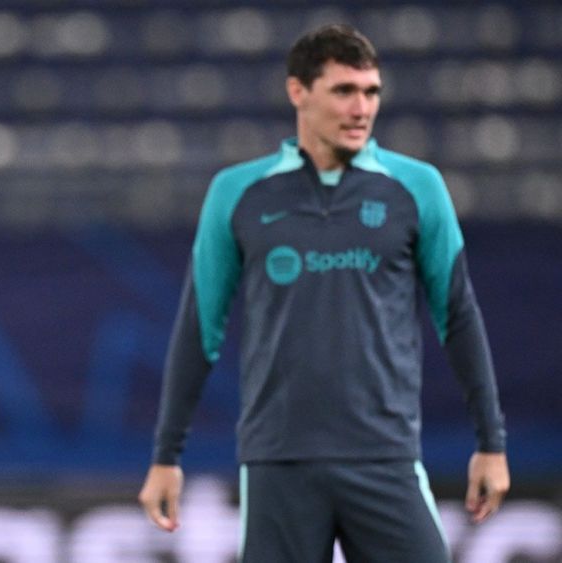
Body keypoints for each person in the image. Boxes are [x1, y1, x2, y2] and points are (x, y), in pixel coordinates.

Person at [138, 23, 509, 562]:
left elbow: (458, 316)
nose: (362, 107)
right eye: (344, 91)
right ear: (298, 92)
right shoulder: (237, 192)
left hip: (384, 456)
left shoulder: (417, 187)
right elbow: (199, 330)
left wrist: (491, 443)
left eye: (371, 92)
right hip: (279, 462)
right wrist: (166, 456)